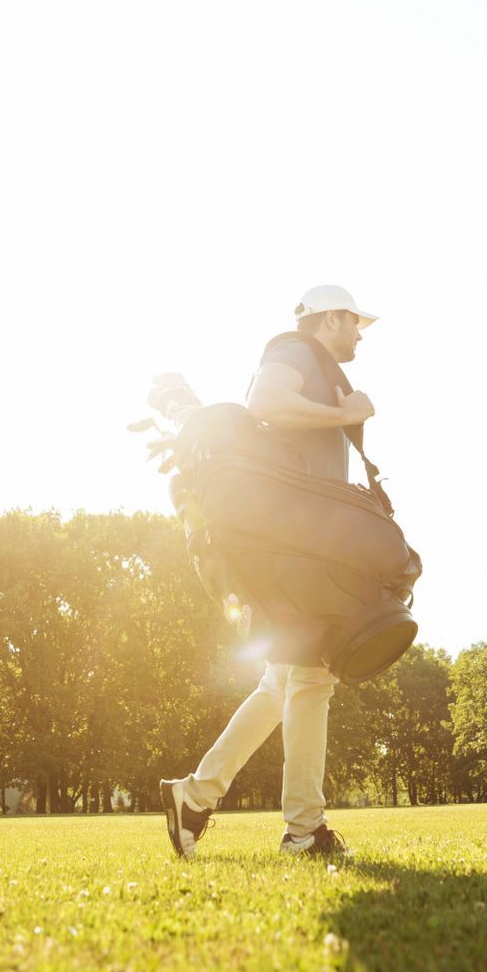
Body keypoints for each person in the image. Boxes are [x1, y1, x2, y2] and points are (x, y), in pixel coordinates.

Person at [160, 284, 378, 859]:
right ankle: (304, 830)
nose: (360, 334)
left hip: (295, 544)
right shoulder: (297, 352)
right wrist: (345, 412)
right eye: (356, 323)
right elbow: (267, 405)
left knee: (282, 681)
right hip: (296, 549)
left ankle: (194, 797)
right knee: (309, 677)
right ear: (331, 318)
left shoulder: (311, 360)